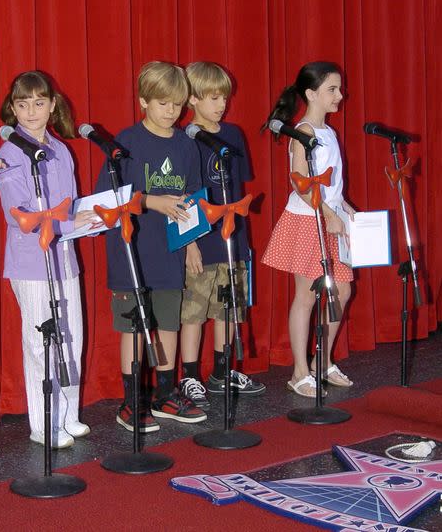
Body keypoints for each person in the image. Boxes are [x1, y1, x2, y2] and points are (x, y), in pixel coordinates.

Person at [95, 61, 207, 432]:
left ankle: (163, 394)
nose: (170, 112)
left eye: (176, 105)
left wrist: (191, 244)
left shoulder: (187, 146)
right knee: (134, 327)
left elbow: (191, 198)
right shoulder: (124, 145)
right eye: (162, 104)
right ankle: (131, 402)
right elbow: (107, 201)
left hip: (169, 251)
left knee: (169, 323)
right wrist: (151, 202)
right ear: (143, 101)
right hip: (132, 251)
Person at [0, 71, 95, 449]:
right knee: (41, 343)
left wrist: (88, 218)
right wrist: (70, 221)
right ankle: (44, 423)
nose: (31, 111)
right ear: (13, 109)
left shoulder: (60, 149)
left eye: (39, 102)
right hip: (32, 263)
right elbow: (17, 214)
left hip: (65, 256)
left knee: (71, 338)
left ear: (53, 106)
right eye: (23, 104)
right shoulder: (9, 153)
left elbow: (69, 202)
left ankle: (69, 414)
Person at [261, 61, 355, 398]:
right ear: (311, 94)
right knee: (308, 295)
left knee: (341, 291)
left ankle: (322, 361)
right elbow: (301, 183)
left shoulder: (329, 132)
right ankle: (299, 370)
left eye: (339, 88)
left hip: (329, 218)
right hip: (307, 219)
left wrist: (345, 208)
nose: (340, 95)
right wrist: (328, 212)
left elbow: (332, 183)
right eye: (332, 89)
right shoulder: (303, 133)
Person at [179, 62, 266, 409]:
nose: (220, 105)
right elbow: (183, 195)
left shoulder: (232, 134)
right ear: (193, 99)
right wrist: (190, 243)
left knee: (229, 309)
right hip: (202, 238)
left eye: (224, 98)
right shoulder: (185, 140)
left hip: (234, 237)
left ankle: (221, 371)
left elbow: (238, 184)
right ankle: (188, 375)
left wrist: (242, 242)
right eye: (212, 98)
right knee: (194, 311)